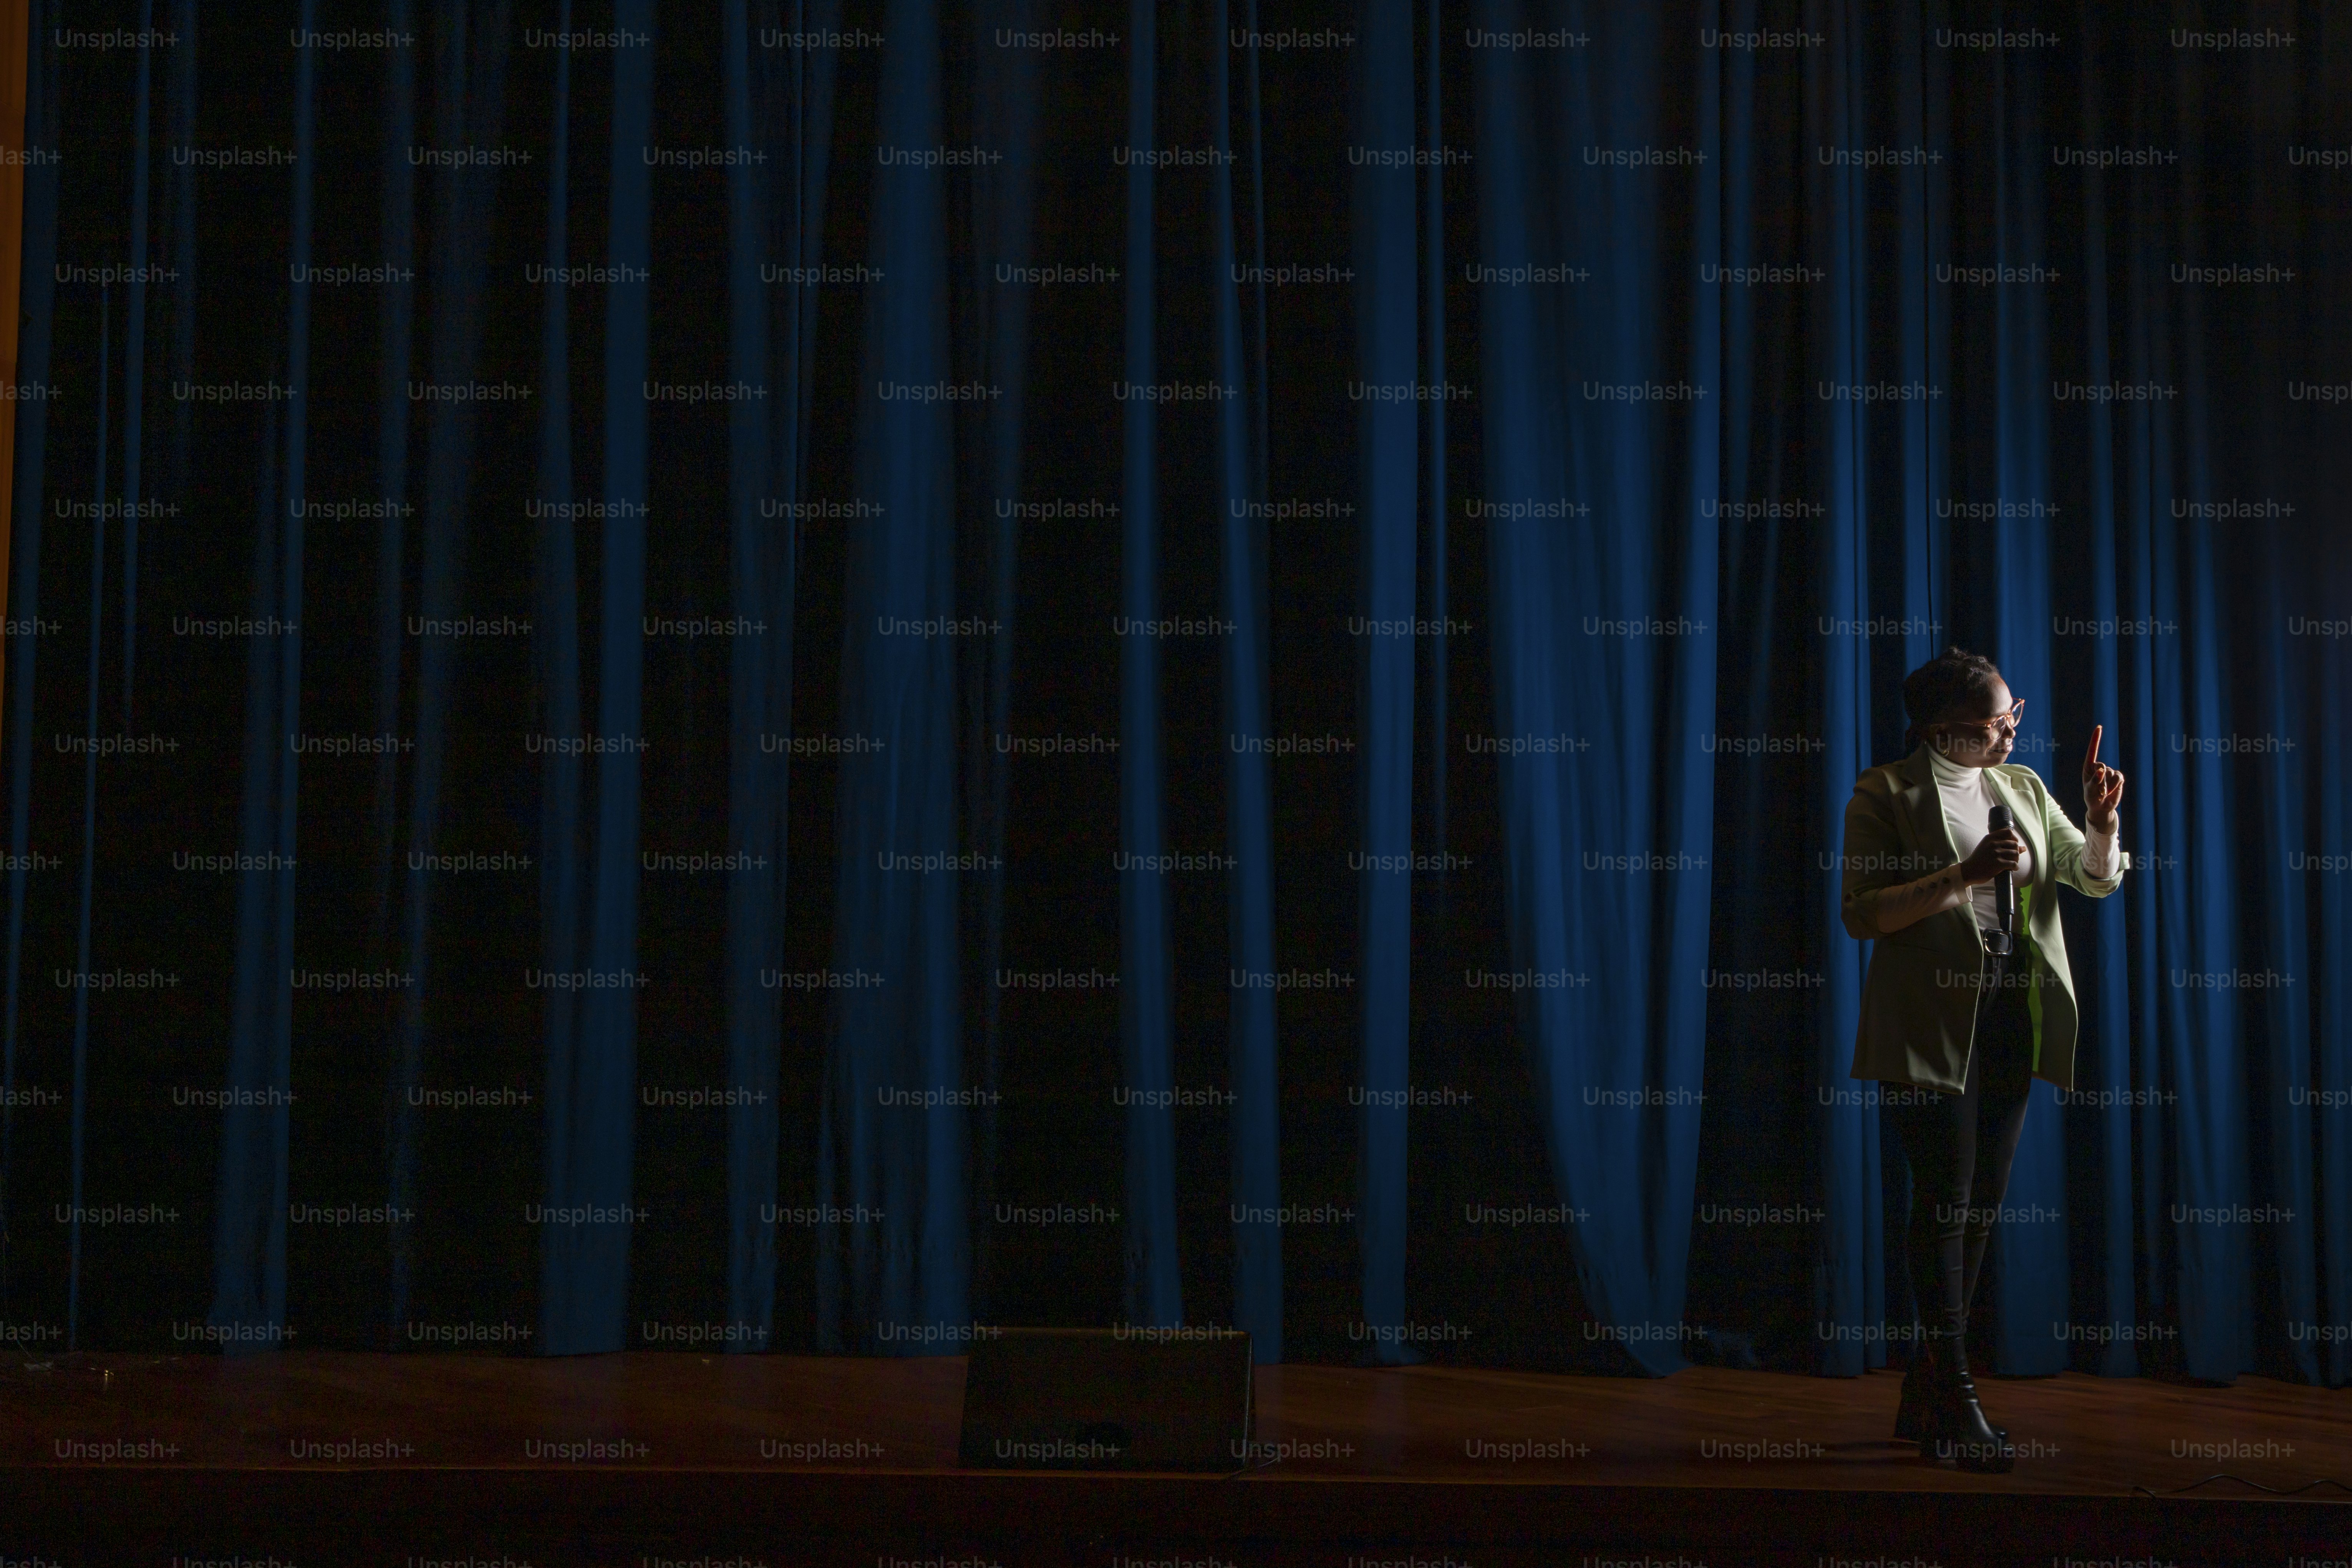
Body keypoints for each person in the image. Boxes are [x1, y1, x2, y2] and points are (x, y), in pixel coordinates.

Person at [1838, 648, 2127, 1472]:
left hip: (2009, 1010)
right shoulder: (1883, 793)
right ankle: (1955, 1395)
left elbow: (2091, 878)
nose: (2011, 730)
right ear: (1942, 732)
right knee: (1944, 1200)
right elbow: (1861, 913)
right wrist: (1959, 876)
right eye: (1996, 721)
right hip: (1927, 1019)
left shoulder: (2021, 786)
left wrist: (2101, 824)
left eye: (2013, 714)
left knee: (1982, 1205)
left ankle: (1927, 1387)